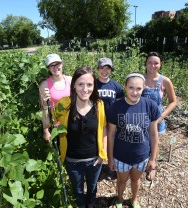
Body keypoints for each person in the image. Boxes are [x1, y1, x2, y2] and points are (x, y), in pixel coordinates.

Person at [52, 66, 107, 208]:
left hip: (94, 160)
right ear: (74, 85)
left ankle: (90, 204)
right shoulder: (64, 104)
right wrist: (46, 108)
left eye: (89, 84)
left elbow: (104, 129)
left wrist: (103, 154)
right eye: (80, 84)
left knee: (92, 188)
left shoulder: (99, 105)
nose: (85, 89)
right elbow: (50, 123)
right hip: (72, 161)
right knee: (77, 190)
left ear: (94, 86)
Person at [107, 72, 160, 208]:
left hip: (141, 155)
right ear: (125, 86)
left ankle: (134, 199)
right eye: (131, 88)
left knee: (136, 180)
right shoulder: (116, 107)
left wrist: (153, 159)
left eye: (138, 89)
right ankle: (119, 199)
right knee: (121, 180)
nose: (134, 92)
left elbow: (154, 134)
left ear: (144, 88)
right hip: (121, 156)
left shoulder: (150, 106)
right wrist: (110, 158)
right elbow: (111, 134)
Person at [142, 52, 177, 181]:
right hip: (141, 118)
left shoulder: (165, 81)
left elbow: (173, 101)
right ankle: (140, 164)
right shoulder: (140, 78)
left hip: (156, 119)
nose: (152, 65)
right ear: (146, 64)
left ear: (160, 64)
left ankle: (152, 167)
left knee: (154, 143)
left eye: (156, 63)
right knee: (142, 141)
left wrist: (161, 117)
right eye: (150, 62)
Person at [39, 53, 72, 142]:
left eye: (57, 64)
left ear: (62, 64)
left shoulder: (70, 80)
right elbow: (44, 108)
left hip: (72, 123)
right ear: (48, 68)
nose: (55, 67)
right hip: (57, 128)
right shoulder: (44, 85)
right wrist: (46, 130)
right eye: (51, 65)